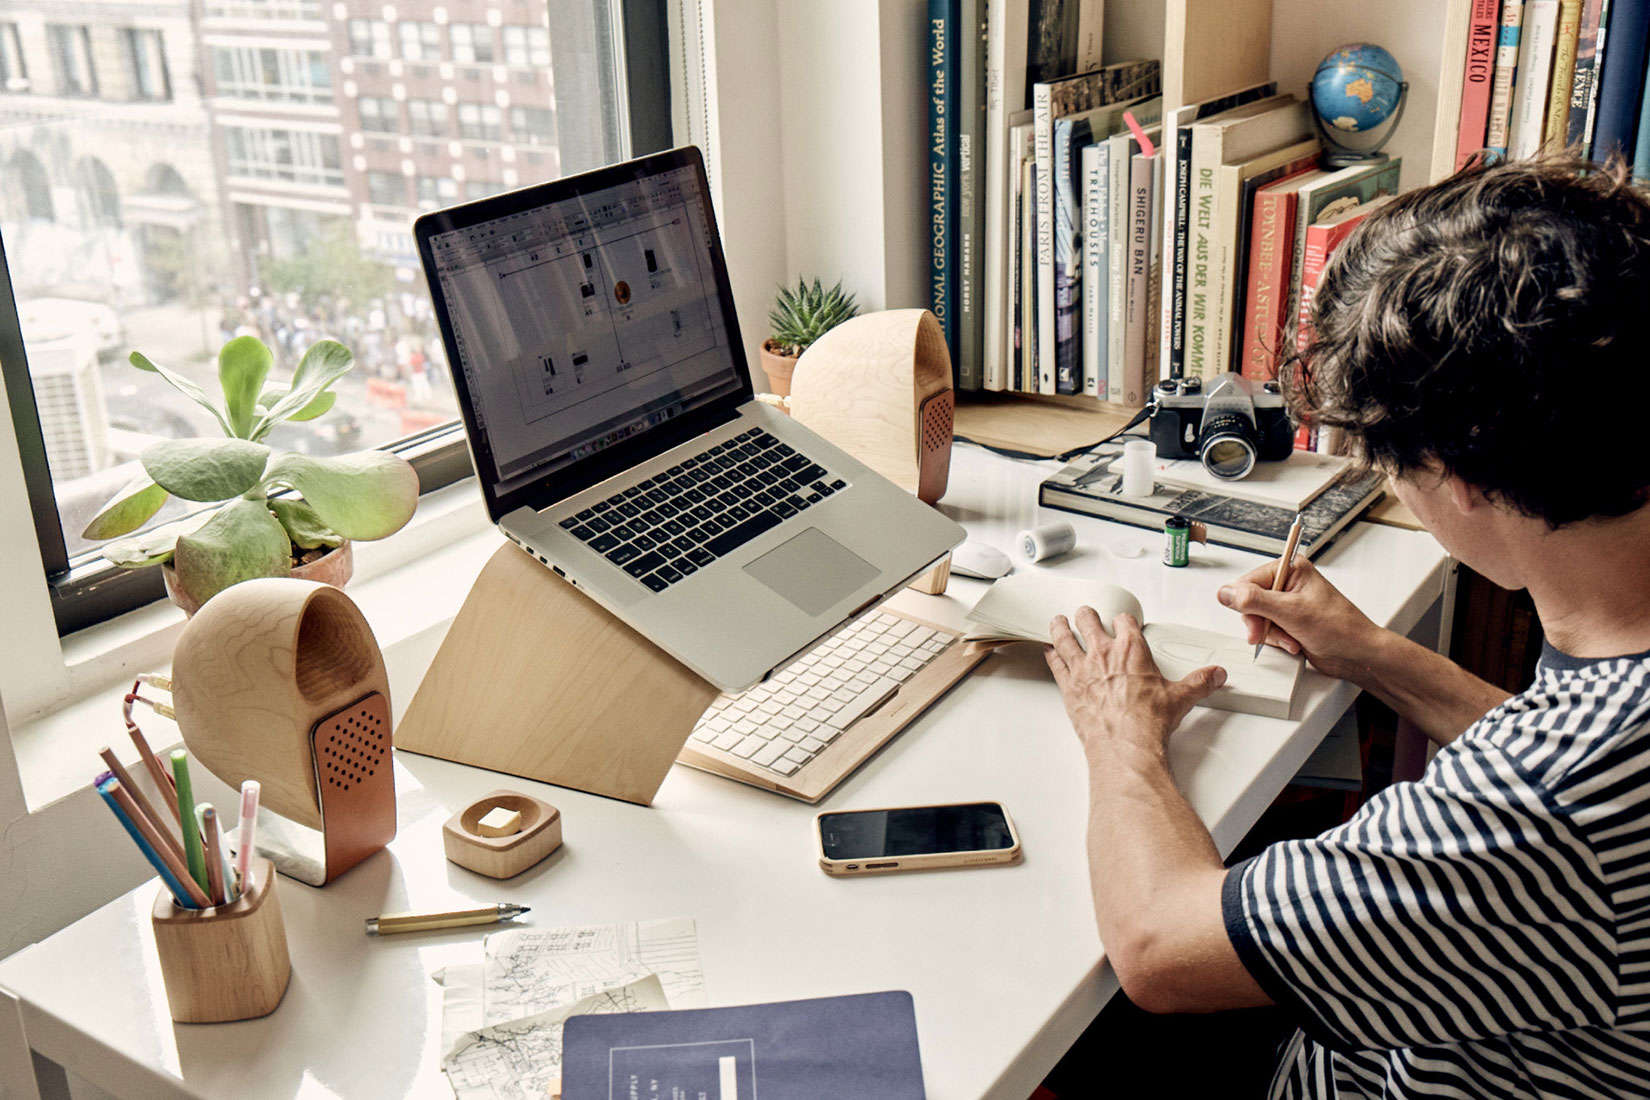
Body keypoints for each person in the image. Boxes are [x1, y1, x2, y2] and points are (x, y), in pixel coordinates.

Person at [1045, 154, 1650, 1098]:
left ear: (1461, 476)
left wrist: (1120, 736)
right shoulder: (1612, 683)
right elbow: (1571, 760)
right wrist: (1376, 656)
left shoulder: (1546, 795)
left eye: (1388, 462)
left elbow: (1158, 947)